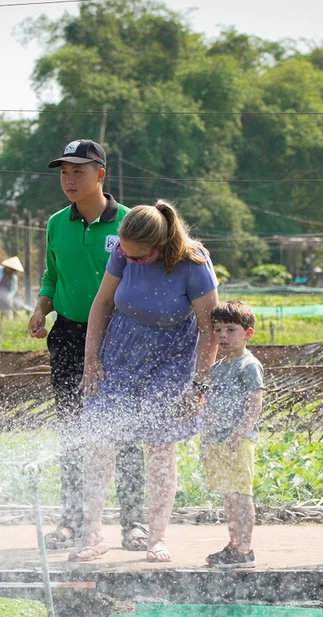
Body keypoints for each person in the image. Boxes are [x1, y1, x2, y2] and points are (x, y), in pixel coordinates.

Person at [69, 200, 219, 563]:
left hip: (170, 363)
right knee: (98, 442)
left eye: (138, 257)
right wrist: (91, 361)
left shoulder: (193, 263)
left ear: (161, 246)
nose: (129, 259)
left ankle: (157, 537)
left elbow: (209, 329)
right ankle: (92, 533)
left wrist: (198, 386)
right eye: (125, 253)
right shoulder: (123, 252)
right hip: (119, 355)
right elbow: (102, 303)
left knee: (159, 448)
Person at [28, 139, 148, 553]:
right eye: (64, 172)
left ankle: (134, 523)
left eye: (78, 171)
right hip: (69, 335)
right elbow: (51, 275)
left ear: (100, 175)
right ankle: (72, 520)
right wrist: (41, 308)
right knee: (73, 429)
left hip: (121, 337)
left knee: (126, 429)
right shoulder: (57, 222)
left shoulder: (131, 223)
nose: (69, 179)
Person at [199, 300, 264, 569]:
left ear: (247, 333)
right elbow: (209, 405)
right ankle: (233, 543)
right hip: (218, 440)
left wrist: (239, 432)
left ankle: (245, 549)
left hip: (238, 440)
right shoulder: (217, 367)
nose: (223, 336)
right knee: (229, 495)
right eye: (218, 330)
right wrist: (205, 439)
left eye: (230, 329)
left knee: (241, 495)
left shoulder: (248, 365)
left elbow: (255, 402)